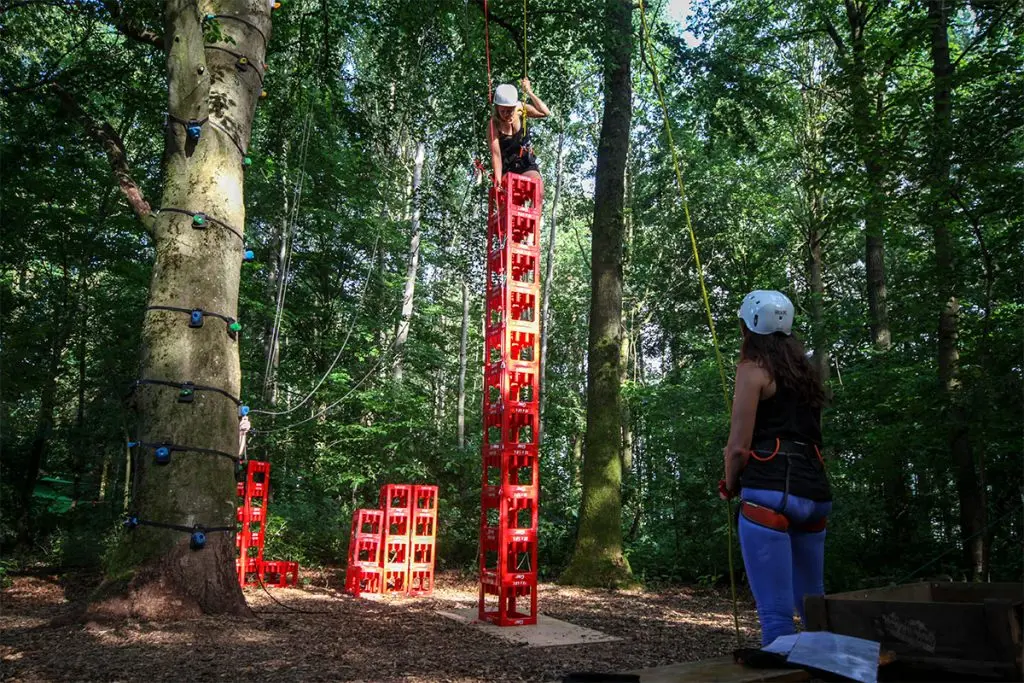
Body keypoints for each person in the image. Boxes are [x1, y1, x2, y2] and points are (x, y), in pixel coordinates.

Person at [718, 289, 832, 647]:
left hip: (769, 492)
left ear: (748, 328)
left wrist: (731, 482)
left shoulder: (753, 370)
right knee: (814, 608)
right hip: (814, 492)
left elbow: (738, 446)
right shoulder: (806, 372)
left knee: (776, 616)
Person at [487, 78, 550, 199]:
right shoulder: (493, 125)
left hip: (524, 162)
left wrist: (529, 92)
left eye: (510, 110)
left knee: (538, 188)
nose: (507, 114)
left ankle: (536, 218)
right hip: (507, 168)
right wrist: (498, 181)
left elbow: (545, 112)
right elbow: (496, 155)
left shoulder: (520, 109)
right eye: (503, 111)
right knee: (512, 200)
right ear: (497, 108)